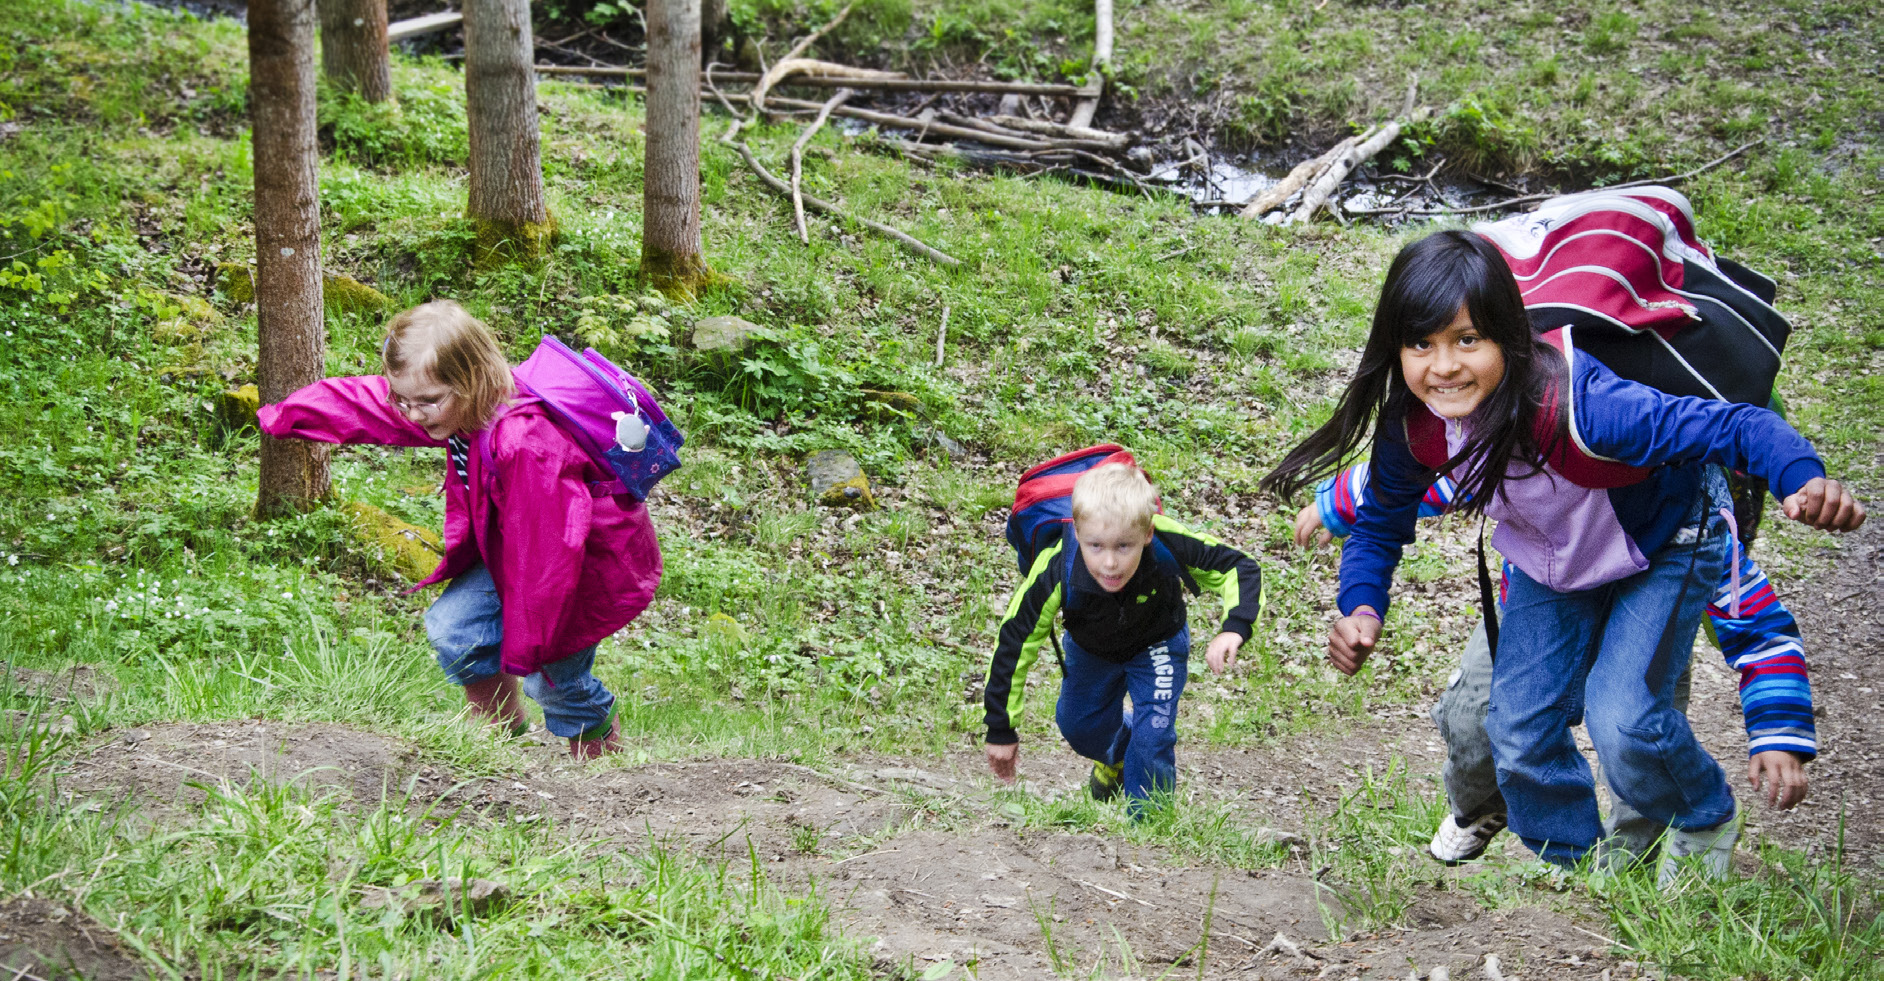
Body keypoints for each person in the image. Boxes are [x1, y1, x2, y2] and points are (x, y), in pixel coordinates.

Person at [1260, 230, 1863, 880]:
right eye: (1421, 344)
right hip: (1557, 562)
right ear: (1395, 347)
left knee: (1624, 717)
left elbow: (1736, 427)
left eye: (1467, 339)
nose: (1444, 366)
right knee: (1515, 731)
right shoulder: (1422, 425)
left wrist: (1800, 475)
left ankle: (1701, 813)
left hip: (1667, 545)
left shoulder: (1589, 408)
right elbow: (1389, 508)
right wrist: (1361, 605)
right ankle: (1585, 873)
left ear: (1509, 337)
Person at [1296, 464, 1817, 868]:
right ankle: (1483, 805)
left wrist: (1780, 733)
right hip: (1537, 604)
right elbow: (1438, 465)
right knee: (1476, 713)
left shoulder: (1683, 531)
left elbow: (1760, 629)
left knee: (1633, 730)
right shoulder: (1536, 465)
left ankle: (1627, 864)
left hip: (1649, 612)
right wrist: (1342, 502)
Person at [257, 300, 662, 759]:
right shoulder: (454, 409)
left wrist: (530, 641)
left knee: (553, 679)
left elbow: (551, 552)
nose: (412, 414)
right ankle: (498, 737)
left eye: (426, 401)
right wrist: (289, 414)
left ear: (472, 381)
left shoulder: (525, 442)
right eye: (404, 399)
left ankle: (605, 766)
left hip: (580, 570)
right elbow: (370, 404)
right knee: (454, 629)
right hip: (517, 552)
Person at [982, 463, 1264, 816]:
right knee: (1078, 726)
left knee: (1154, 735)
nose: (1110, 563)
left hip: (1158, 644)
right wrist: (1000, 728)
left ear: (1147, 533)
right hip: (1090, 650)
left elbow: (1239, 567)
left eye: (1124, 546)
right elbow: (1015, 638)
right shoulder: (1059, 565)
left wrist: (1234, 627)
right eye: (1096, 546)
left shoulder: (1166, 540)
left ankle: (1148, 829)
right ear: (1078, 531)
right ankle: (1118, 758)